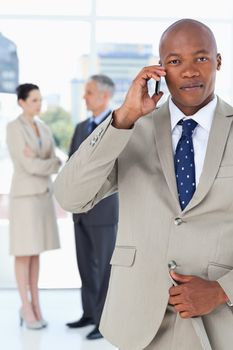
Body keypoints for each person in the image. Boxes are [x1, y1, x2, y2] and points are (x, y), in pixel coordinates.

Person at [54, 19, 233, 350]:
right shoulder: (129, 129)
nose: (190, 71)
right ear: (161, 68)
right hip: (139, 324)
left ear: (218, 61)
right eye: (176, 61)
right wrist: (123, 117)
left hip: (221, 324)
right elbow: (69, 196)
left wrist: (224, 289)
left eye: (201, 58)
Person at [66, 75, 118, 340]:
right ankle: (89, 313)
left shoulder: (119, 125)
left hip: (105, 212)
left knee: (106, 269)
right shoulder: (79, 127)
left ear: (105, 96)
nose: (84, 96)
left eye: (89, 92)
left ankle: (103, 320)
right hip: (80, 213)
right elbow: (72, 167)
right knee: (85, 265)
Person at [7, 83, 61, 330]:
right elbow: (28, 166)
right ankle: (25, 307)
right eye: (34, 100)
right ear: (21, 102)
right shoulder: (13, 128)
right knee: (24, 252)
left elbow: (57, 159)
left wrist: (45, 161)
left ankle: (36, 304)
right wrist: (48, 163)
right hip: (25, 199)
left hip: (42, 197)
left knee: (36, 252)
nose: (39, 104)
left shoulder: (43, 127)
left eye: (40, 100)